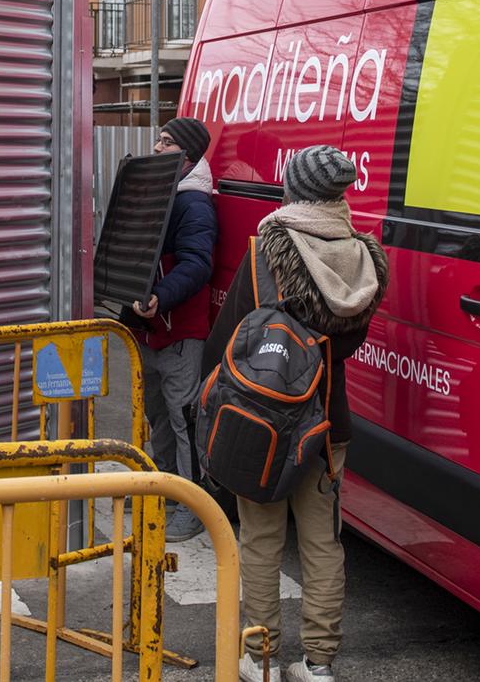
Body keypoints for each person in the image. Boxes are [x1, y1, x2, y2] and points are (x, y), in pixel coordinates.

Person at [202, 145, 387, 682]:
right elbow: (347, 345)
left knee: (260, 539)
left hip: (264, 422)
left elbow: (232, 338)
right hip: (328, 424)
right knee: (323, 542)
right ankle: (318, 663)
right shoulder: (363, 258)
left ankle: (259, 659)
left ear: (293, 189)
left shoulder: (269, 250)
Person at [131, 115, 219, 543]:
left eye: (166, 142)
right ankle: (165, 487)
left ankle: (193, 504)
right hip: (150, 329)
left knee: (185, 418)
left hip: (179, 331)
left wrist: (161, 297)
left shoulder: (193, 203)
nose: (157, 148)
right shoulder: (163, 193)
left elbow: (197, 264)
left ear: (188, 155)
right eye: (159, 140)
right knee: (157, 414)